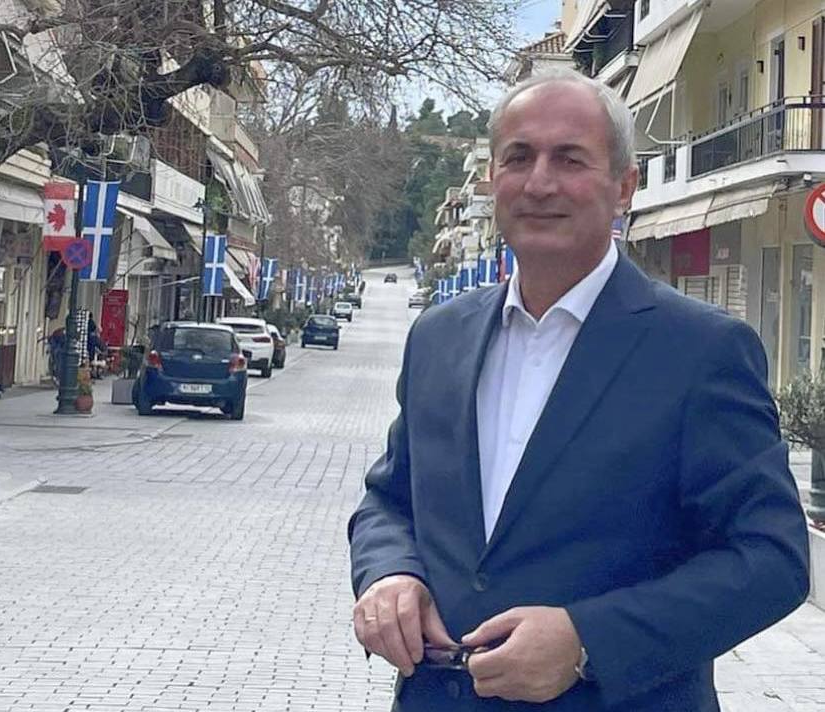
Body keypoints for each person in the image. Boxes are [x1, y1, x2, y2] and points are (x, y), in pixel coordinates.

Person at [347, 68, 810, 712]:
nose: (539, 183)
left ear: (624, 187)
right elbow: (389, 500)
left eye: (569, 158)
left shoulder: (702, 351)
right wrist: (389, 572)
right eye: (518, 157)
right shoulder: (438, 336)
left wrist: (587, 640)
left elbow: (772, 558)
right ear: (492, 178)